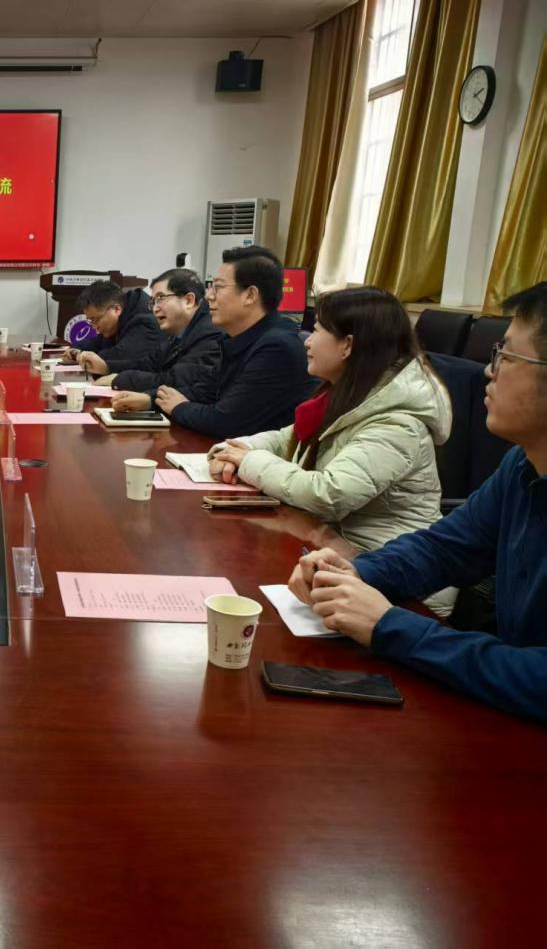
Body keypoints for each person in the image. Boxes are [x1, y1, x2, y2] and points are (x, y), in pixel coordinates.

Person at [289, 282, 547, 721]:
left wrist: (390, 625)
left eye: (505, 357)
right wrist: (356, 572)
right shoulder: (522, 465)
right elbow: (445, 548)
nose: (489, 372)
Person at [207, 286, 451, 556]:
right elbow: (287, 439)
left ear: (347, 345)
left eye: (317, 331)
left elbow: (329, 495)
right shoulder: (347, 394)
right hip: (330, 545)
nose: (307, 342)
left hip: (386, 562)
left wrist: (249, 462)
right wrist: (235, 450)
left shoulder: (397, 423)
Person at [157, 246, 312, 438]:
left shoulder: (277, 348)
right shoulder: (236, 338)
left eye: (218, 287)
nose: (209, 295)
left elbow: (226, 421)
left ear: (250, 295)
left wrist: (178, 407)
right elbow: (204, 392)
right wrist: (150, 399)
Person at [106, 268, 223, 411]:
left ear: (188, 300)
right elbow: (149, 364)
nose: (155, 309)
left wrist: (123, 379)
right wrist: (107, 367)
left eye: (160, 298)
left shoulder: (210, 333)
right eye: (153, 302)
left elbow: (177, 380)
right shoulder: (179, 331)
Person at [63, 281, 163, 377]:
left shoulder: (146, 322)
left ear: (116, 309)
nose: (94, 326)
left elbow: (120, 355)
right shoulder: (124, 310)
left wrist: (80, 356)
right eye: (90, 320)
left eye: (96, 319)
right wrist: (77, 349)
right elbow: (100, 340)